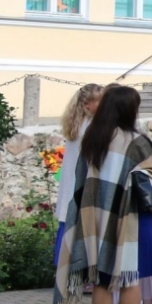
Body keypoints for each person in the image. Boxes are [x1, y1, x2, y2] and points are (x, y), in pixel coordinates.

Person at [55, 84, 152, 304]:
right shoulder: (137, 141)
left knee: (102, 278)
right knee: (130, 278)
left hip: (95, 215)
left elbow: (80, 179)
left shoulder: (93, 138)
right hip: (130, 217)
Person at [53, 83, 103, 265]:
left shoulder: (76, 125)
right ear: (86, 105)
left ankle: (69, 277)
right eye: (99, 101)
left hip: (72, 186)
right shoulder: (90, 128)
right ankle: (81, 275)